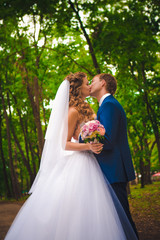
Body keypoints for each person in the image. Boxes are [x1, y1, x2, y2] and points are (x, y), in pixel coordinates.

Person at [5, 72, 137, 240]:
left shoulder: (92, 107)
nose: (89, 85)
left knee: (102, 213)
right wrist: (88, 145)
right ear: (78, 88)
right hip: (83, 162)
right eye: (87, 83)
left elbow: (104, 135)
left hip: (96, 165)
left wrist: (92, 142)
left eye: (91, 82)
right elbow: (64, 143)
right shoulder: (73, 111)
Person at [90, 73, 139, 239]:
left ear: (103, 83)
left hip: (114, 171)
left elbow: (108, 141)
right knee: (117, 220)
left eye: (93, 81)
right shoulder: (106, 105)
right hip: (112, 170)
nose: (90, 84)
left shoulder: (109, 105)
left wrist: (83, 137)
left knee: (122, 220)